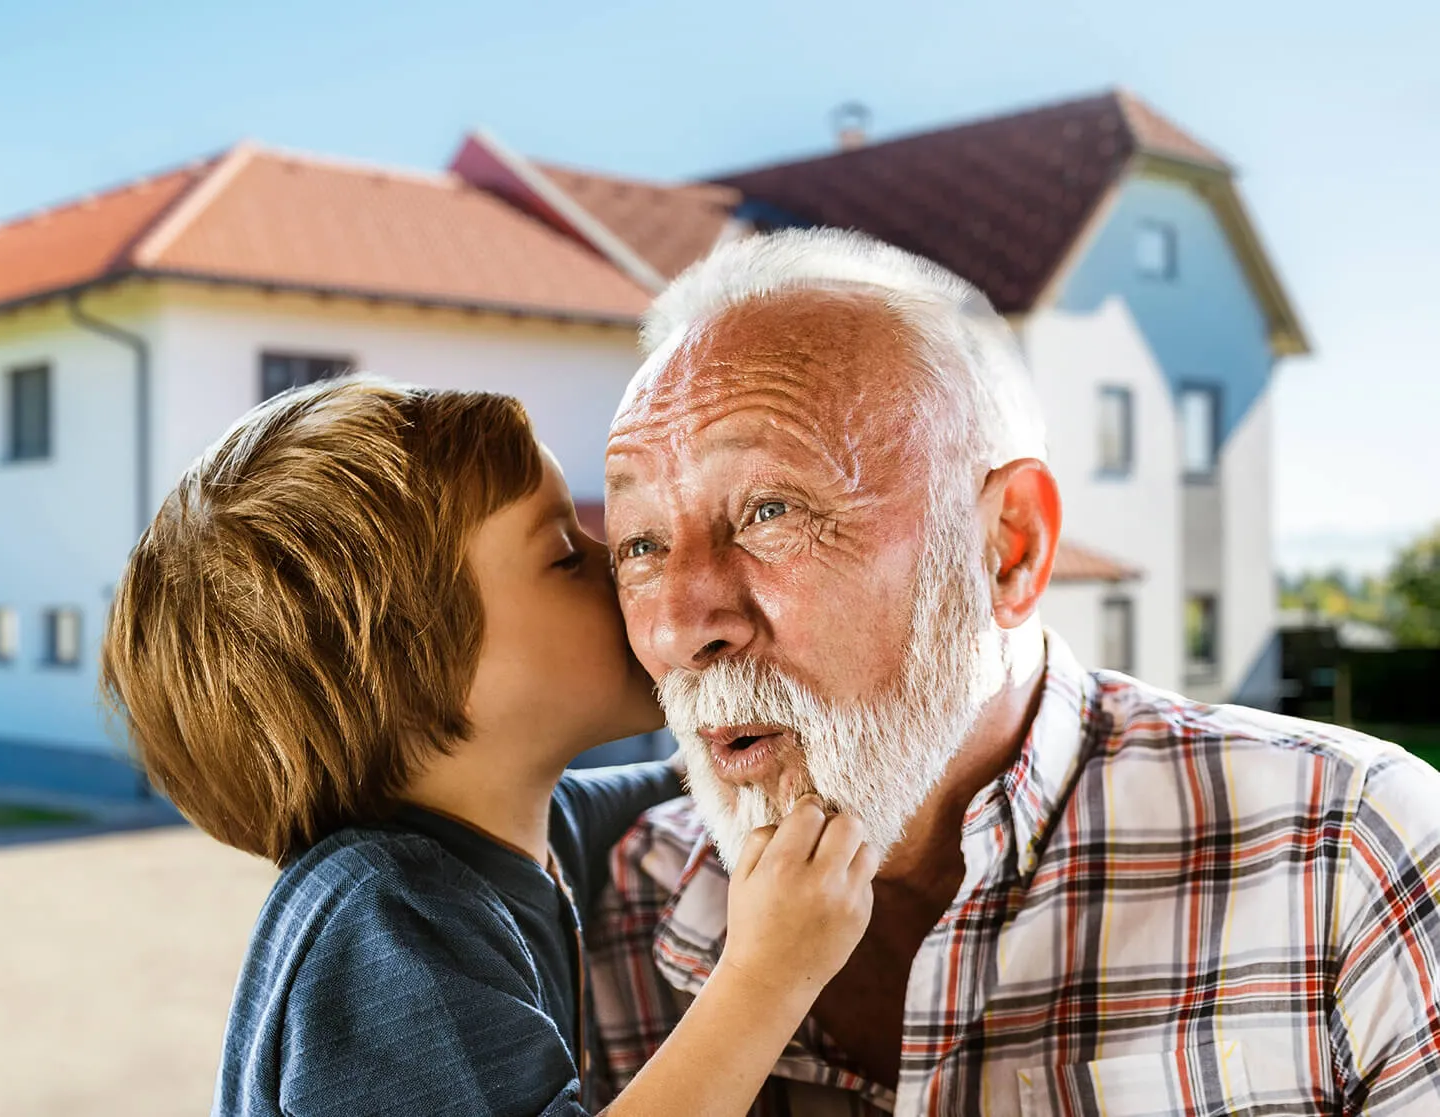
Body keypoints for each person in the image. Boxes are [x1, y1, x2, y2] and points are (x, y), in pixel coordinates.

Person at [590, 228, 1440, 1114]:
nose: (680, 626)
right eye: (642, 544)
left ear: (1007, 547)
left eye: (771, 510)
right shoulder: (608, 909)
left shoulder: (1350, 856)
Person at [98, 377, 883, 1117]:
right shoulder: (384, 921)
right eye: (566, 557)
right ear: (418, 671)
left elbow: (682, 780)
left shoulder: (527, 833)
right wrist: (766, 974)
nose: (624, 566)